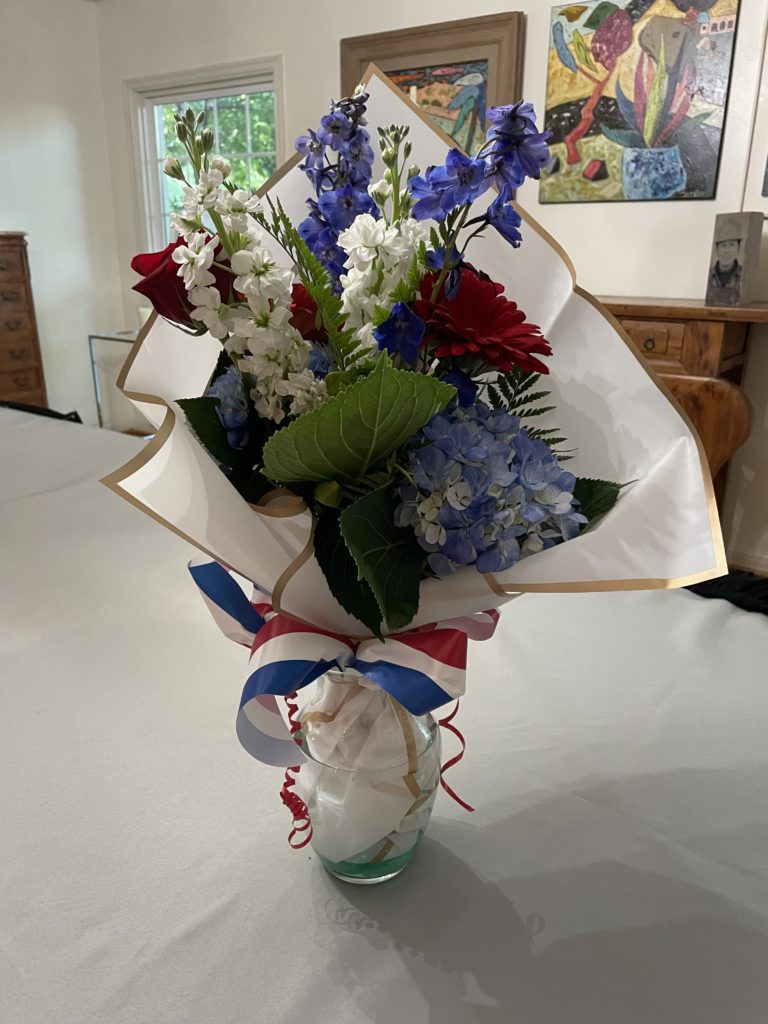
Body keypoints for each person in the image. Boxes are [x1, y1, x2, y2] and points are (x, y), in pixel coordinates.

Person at [706, 217, 744, 305]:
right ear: (717, 248)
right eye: (723, 245)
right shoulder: (708, 276)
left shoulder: (744, 276)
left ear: (738, 247)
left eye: (731, 245)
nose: (727, 250)